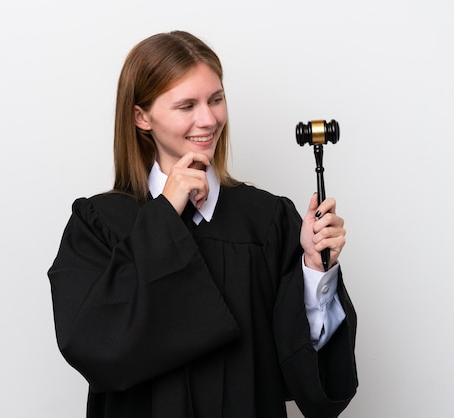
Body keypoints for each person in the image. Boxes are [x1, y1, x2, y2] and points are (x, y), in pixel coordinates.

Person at [48, 30, 357, 418]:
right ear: (141, 117)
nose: (209, 120)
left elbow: (298, 365)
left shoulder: (265, 220)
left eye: (216, 100)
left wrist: (313, 271)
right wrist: (165, 214)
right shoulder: (99, 224)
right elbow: (92, 344)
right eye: (186, 105)